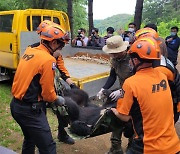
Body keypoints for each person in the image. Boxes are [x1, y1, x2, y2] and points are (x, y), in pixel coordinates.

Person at [111, 38, 180, 154]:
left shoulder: (131, 83)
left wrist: (113, 111)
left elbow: (125, 116)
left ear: (136, 61)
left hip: (147, 147)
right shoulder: (162, 76)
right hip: (173, 145)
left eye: (131, 59)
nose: (129, 62)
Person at [10, 22, 69, 154]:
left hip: (15, 106)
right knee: (48, 148)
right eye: (62, 45)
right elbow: (48, 94)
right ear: (54, 43)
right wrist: (57, 99)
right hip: (30, 111)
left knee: (30, 138)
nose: (61, 50)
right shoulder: (48, 60)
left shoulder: (30, 50)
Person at [36, 20, 77, 144]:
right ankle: (41, 142)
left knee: (63, 111)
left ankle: (63, 134)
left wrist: (71, 84)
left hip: (54, 84)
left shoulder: (56, 51)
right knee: (40, 116)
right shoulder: (35, 50)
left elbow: (61, 69)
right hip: (39, 88)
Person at [135, 27, 180, 123]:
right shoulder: (159, 59)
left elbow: (152, 94)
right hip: (170, 103)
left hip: (169, 106)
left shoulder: (159, 69)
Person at [97, 35, 133, 154]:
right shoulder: (114, 60)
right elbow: (112, 76)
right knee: (117, 118)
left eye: (116, 53)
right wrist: (103, 89)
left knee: (132, 122)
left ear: (123, 50)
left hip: (135, 94)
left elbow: (140, 79)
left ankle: (133, 147)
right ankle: (116, 148)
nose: (113, 55)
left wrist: (123, 91)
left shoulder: (133, 59)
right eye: (112, 53)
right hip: (122, 93)